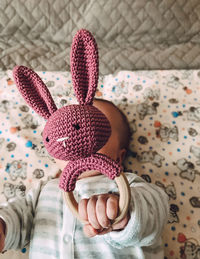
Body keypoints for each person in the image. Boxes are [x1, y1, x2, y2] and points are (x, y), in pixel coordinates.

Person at [0, 98, 169, 259]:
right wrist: (3, 226)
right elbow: (18, 217)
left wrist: (123, 210)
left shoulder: (129, 185)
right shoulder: (44, 190)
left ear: (119, 157)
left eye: (96, 129)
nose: (76, 140)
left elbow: (155, 212)